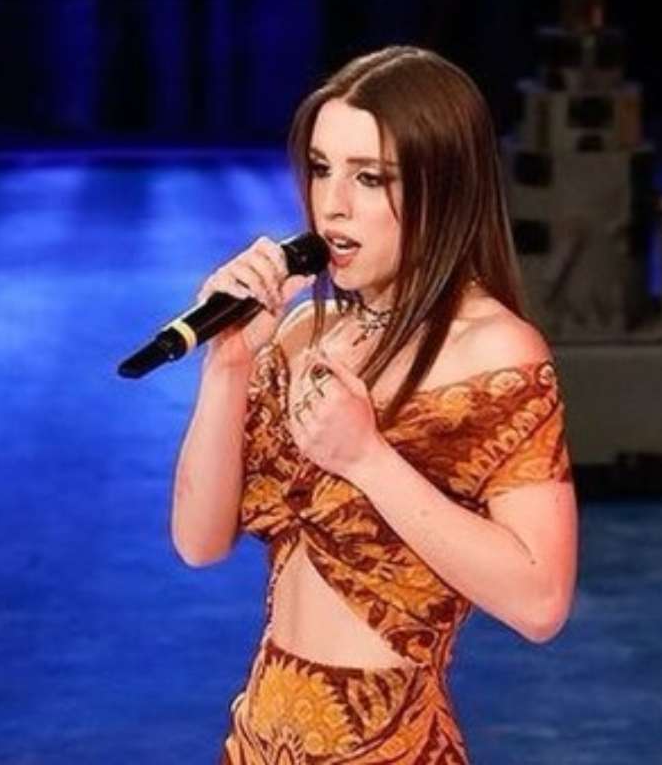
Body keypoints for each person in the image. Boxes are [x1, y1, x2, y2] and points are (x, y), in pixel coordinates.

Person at [171, 45, 579, 764]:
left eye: (370, 177)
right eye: (321, 168)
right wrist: (228, 363)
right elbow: (198, 544)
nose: (332, 205)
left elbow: (541, 602)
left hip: (390, 744)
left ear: (443, 187)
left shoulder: (496, 351)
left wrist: (367, 458)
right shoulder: (304, 330)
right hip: (261, 737)